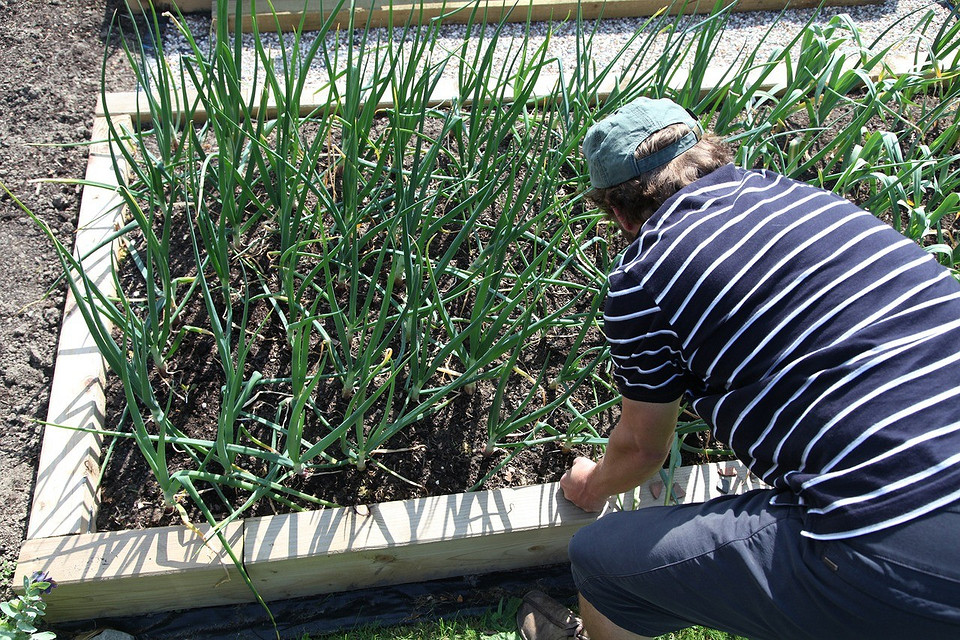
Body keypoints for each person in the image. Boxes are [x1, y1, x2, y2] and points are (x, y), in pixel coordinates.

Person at [516, 96, 960, 640]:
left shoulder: (644, 274)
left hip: (893, 545)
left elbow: (641, 451)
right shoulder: (808, 200)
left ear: (619, 212)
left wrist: (592, 484)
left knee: (601, 560)